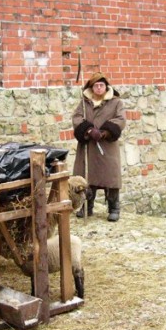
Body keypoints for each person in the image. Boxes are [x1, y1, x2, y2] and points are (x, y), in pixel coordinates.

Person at [72, 72, 126, 222]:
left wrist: (104, 132)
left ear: (106, 86)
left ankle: (114, 208)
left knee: (111, 177)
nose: (99, 88)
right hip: (89, 146)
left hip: (107, 147)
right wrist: (88, 129)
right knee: (88, 177)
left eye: (101, 85)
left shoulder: (116, 102)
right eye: (96, 85)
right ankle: (87, 207)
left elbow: (121, 119)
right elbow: (77, 118)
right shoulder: (84, 102)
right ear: (92, 87)